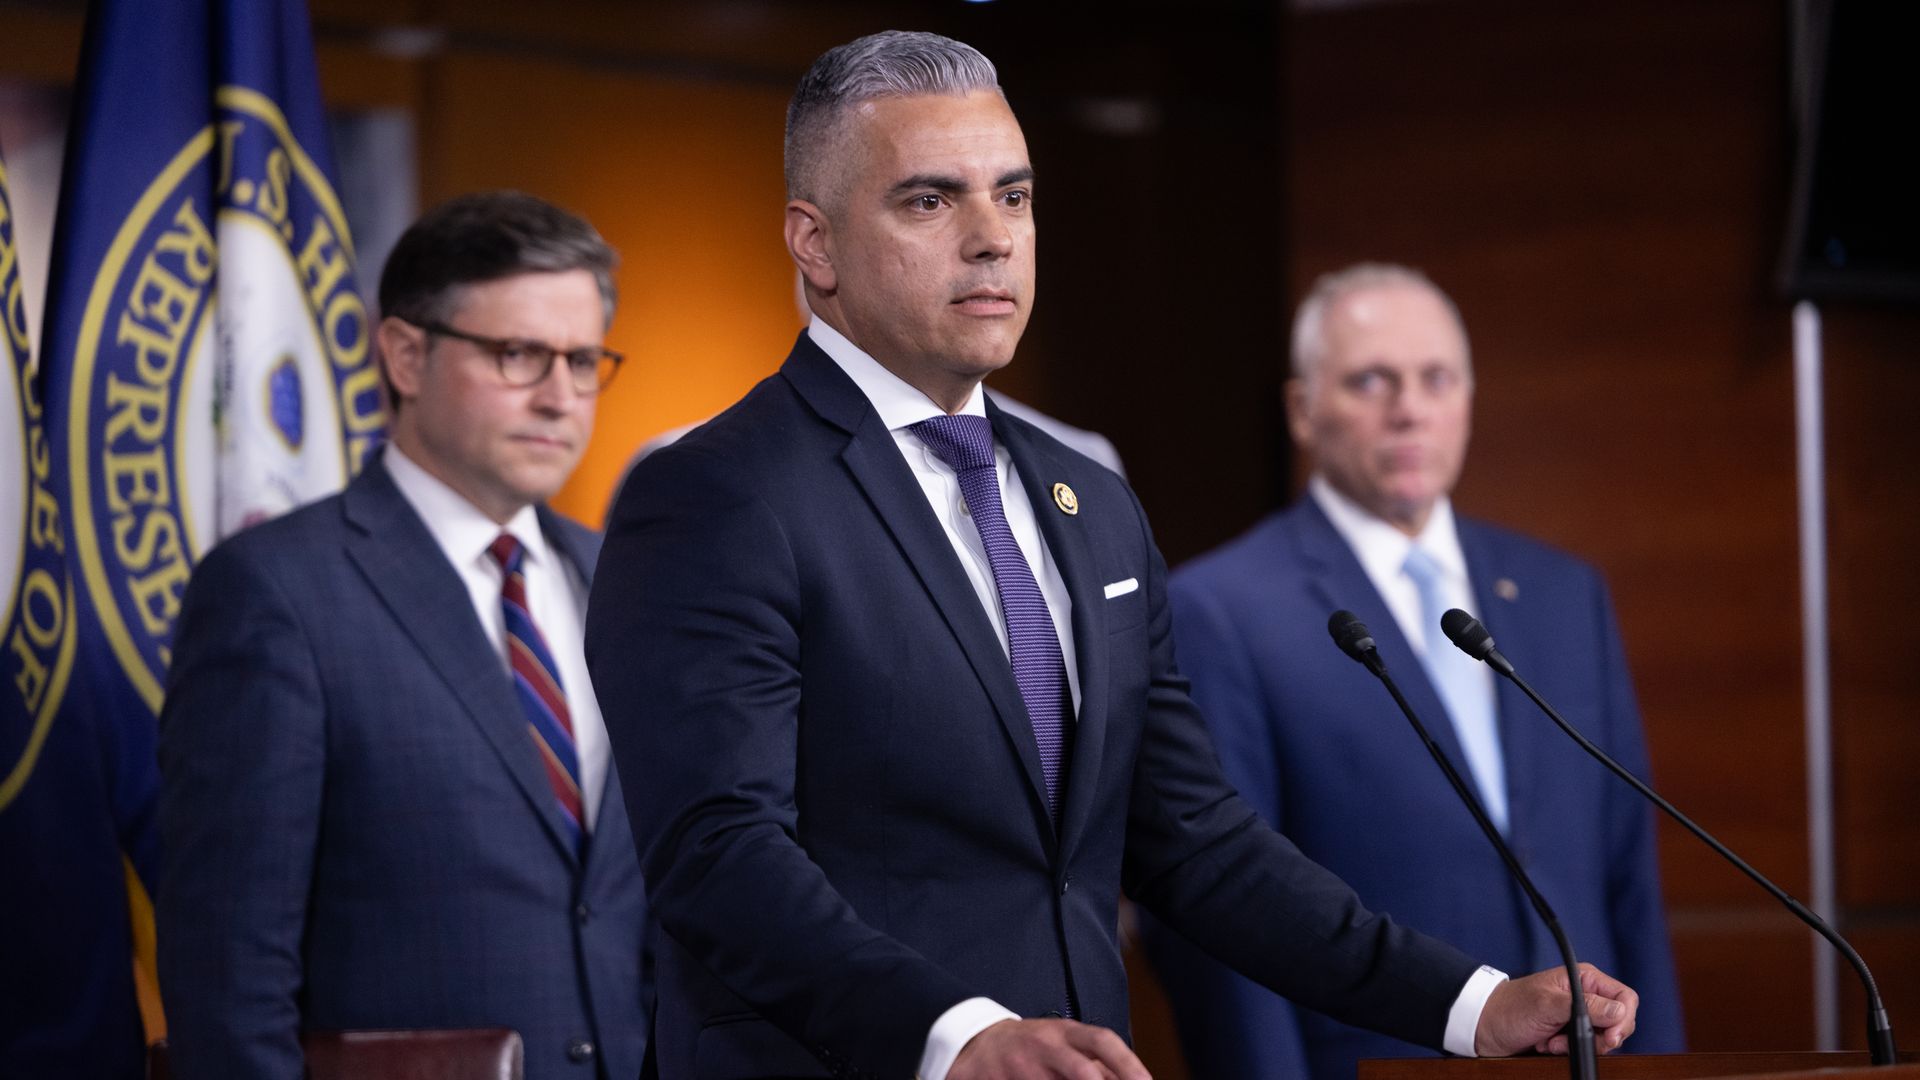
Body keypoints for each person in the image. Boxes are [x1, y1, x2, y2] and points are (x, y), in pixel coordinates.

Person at [588, 33, 1641, 1080]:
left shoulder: (1088, 501)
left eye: (1014, 196)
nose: (992, 239)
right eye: (930, 202)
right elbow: (718, 855)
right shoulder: (716, 496)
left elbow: (1196, 841)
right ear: (812, 243)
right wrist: (955, 1037)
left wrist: (1472, 1004)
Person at [1145, 262, 1684, 1079]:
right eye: (1371, 381)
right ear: (1302, 410)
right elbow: (1218, 913)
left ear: (1467, 401)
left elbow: (1627, 877)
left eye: (1436, 379)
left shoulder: (1562, 592)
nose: (1409, 409)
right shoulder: (1222, 609)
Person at [157, 192, 649, 1080]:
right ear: (406, 354)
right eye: (518, 355)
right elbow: (230, 971)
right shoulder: (276, 591)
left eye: (583, 361)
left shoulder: (629, 579)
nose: (560, 397)